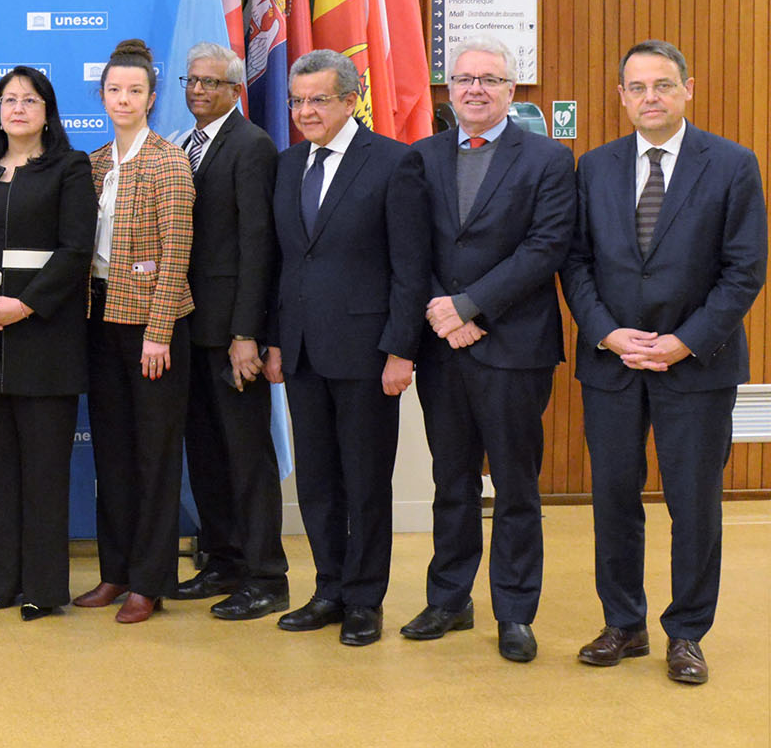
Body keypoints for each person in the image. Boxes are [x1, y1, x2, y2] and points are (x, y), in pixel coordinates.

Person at [561, 40, 765, 685]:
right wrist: (606, 334)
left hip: (697, 366)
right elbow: (576, 263)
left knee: (693, 503)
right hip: (612, 364)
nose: (650, 97)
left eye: (663, 85)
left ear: (688, 89)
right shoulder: (593, 167)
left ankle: (686, 634)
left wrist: (685, 341)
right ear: (621, 97)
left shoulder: (732, 165)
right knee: (614, 497)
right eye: (637, 87)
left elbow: (744, 270)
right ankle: (623, 623)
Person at [404, 38, 576, 663]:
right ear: (450, 89)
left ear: (512, 90)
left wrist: (469, 307)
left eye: (490, 79)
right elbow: (407, 248)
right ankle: (449, 599)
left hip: (514, 348)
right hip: (442, 348)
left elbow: (545, 247)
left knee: (515, 486)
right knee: (450, 481)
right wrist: (441, 313)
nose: (476, 88)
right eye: (465, 78)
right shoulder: (420, 158)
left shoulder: (548, 159)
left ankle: (514, 611)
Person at [265, 49, 429, 647]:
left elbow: (410, 268)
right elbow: (283, 262)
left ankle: (365, 599)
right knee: (317, 482)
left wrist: (401, 350)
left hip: (367, 352)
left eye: (319, 100)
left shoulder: (392, 162)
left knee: (364, 482)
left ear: (351, 99)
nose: (306, 111)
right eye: (298, 100)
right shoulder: (285, 166)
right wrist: (276, 342)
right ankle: (328, 588)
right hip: (302, 351)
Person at [0, 66, 95, 621]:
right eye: (8, 99)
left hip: (44, 342)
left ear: (47, 110)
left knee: (43, 472)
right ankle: (1, 582)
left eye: (29, 100)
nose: (18, 108)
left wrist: (25, 305)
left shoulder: (69, 168)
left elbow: (74, 250)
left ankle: (42, 587)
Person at [166, 42, 290, 622]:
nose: (197, 90)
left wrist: (248, 332)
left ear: (236, 90)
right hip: (187, 328)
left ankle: (267, 575)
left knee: (246, 456)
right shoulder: (180, 147)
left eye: (210, 83)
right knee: (207, 455)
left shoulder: (252, 146)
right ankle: (222, 560)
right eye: (191, 80)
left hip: (231, 333)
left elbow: (257, 246)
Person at [75, 40, 195, 623]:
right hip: (100, 323)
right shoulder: (95, 164)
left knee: (154, 456)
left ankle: (150, 580)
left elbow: (177, 254)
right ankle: (114, 572)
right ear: (102, 97)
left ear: (151, 97)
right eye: (114, 90)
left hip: (152, 330)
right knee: (114, 456)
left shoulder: (170, 162)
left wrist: (160, 331)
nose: (124, 99)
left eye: (135, 91)